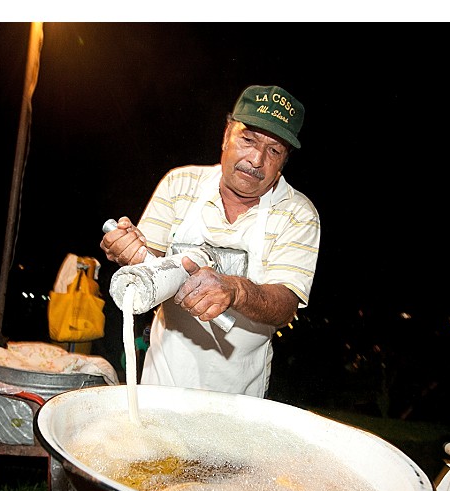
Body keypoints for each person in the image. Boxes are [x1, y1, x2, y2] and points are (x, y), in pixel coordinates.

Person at [100, 85, 320, 397]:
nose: (256, 159)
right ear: (226, 135)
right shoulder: (180, 184)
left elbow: (285, 305)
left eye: (274, 150)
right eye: (248, 139)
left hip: (238, 397)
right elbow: (149, 262)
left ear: (284, 161)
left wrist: (236, 290)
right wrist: (129, 249)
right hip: (161, 384)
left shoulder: (298, 214)